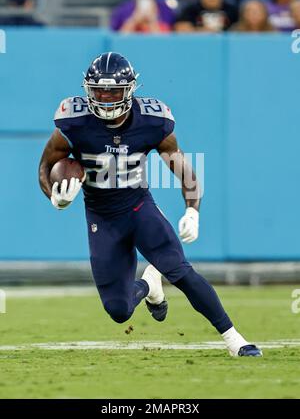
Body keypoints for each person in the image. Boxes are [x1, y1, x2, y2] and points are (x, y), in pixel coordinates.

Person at [39, 52, 262, 357]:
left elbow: (183, 168)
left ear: (129, 90)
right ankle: (149, 286)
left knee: (180, 271)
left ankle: (235, 339)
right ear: (88, 90)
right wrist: (55, 197)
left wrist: (193, 210)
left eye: (113, 91)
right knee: (118, 310)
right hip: (101, 217)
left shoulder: (153, 121)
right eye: (99, 90)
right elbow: (45, 167)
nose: (105, 98)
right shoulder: (73, 122)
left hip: (137, 207)